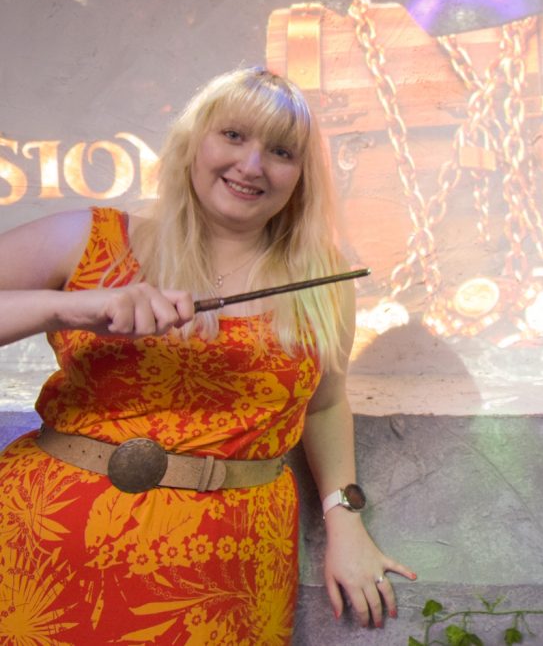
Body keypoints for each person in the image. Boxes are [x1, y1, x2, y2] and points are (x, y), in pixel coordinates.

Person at [0, 67, 415, 642]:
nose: (252, 166)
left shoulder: (323, 280)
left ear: (301, 176)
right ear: (194, 141)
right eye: (234, 136)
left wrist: (344, 521)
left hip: (233, 572)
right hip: (46, 550)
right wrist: (67, 308)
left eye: (281, 151)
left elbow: (324, 406)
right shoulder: (88, 237)